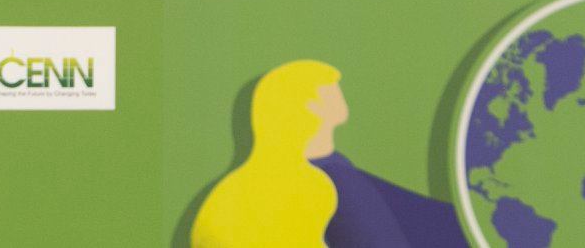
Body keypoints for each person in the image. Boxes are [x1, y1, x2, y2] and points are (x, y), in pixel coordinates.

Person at [192, 60, 468, 248]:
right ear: (309, 107)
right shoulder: (325, 183)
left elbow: (406, 210)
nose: (338, 91)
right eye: (329, 90)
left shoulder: (331, 169)